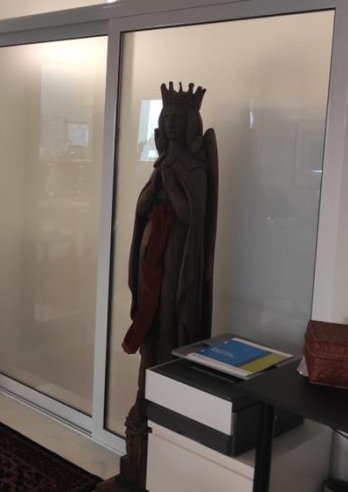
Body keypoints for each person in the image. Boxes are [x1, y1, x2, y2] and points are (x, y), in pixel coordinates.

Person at [112, 81, 218, 490]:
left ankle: (161, 409)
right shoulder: (163, 163)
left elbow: (190, 215)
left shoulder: (194, 167)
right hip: (151, 258)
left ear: (190, 121)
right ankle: (144, 401)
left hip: (176, 260)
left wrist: (171, 171)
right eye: (167, 116)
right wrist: (160, 169)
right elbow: (142, 208)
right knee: (150, 331)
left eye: (178, 117)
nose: (171, 122)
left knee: (169, 329)